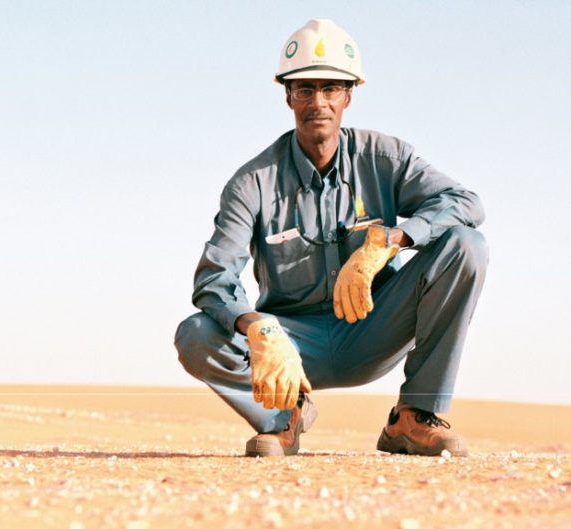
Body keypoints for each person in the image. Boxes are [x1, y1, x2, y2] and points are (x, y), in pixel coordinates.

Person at [173, 19, 487, 457]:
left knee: (466, 247)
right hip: (293, 348)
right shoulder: (251, 184)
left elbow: (466, 202)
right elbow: (213, 281)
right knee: (195, 335)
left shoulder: (385, 158)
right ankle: (284, 416)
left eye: (330, 88)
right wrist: (258, 327)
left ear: (349, 95)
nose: (317, 102)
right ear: (287, 95)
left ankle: (415, 416)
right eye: (304, 89)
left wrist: (392, 239)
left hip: (374, 326)